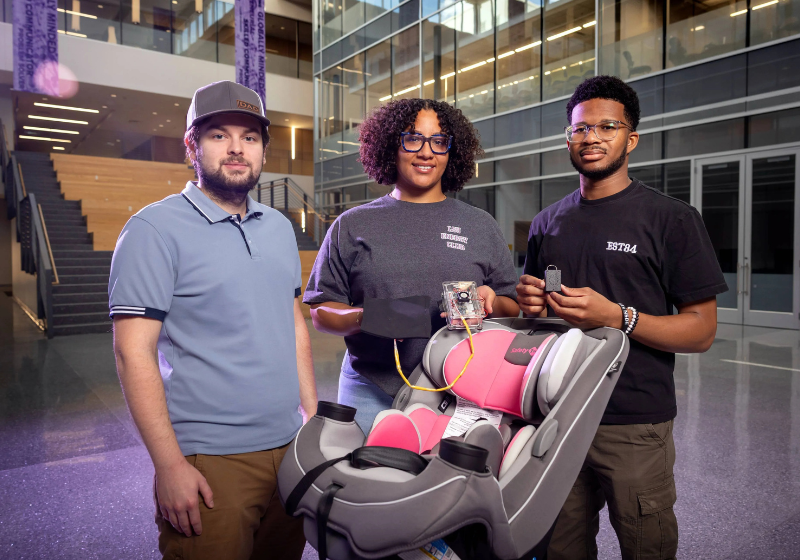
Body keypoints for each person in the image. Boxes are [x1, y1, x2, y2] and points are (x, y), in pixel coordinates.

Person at [516, 76, 727, 560]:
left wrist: (619, 317)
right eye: (579, 129)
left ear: (630, 138)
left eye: (606, 126)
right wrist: (530, 302)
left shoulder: (671, 219)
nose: (590, 138)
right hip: (555, 415)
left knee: (645, 545)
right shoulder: (549, 222)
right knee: (558, 548)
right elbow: (540, 303)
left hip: (632, 421)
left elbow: (701, 330)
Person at [109, 81, 316, 560]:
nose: (237, 149)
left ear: (264, 149)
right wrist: (169, 465)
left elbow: (294, 324)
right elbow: (131, 351)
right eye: (219, 135)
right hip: (210, 460)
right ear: (192, 147)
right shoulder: (152, 230)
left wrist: (312, 419)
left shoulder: (280, 227)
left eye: (250, 137)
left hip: (290, 451)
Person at [304, 98, 520, 433]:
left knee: (446, 484)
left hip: (460, 390)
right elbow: (320, 311)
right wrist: (371, 317)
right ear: (391, 145)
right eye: (412, 138)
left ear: (452, 151)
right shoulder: (353, 225)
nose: (426, 152)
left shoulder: (481, 225)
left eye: (438, 141)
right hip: (370, 388)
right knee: (364, 481)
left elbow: (512, 305)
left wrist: (490, 298)